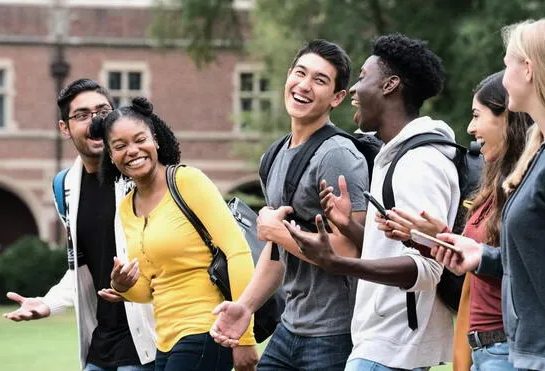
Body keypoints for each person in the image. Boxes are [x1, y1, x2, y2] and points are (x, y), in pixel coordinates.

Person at [431, 16, 545, 371]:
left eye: (506, 62)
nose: (503, 73)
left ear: (528, 69)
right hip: (535, 357)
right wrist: (482, 257)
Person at [284, 33, 459, 371]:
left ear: (390, 85)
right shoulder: (393, 156)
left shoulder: (419, 163)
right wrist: (349, 225)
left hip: (392, 348)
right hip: (379, 343)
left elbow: (428, 267)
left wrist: (338, 263)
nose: (353, 90)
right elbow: (402, 250)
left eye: (363, 78)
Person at [210, 39, 370, 370]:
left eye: (320, 80)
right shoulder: (275, 155)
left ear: (337, 98)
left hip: (334, 334)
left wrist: (279, 233)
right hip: (290, 328)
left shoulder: (337, 155)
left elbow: (350, 251)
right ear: (288, 76)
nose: (304, 86)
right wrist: (245, 307)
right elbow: (276, 257)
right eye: (300, 73)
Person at [375, 71, 533, 371]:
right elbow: (475, 262)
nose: (471, 128)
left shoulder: (524, 188)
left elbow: (521, 267)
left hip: (507, 349)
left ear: (507, 118)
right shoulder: (494, 187)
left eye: (477, 115)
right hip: (482, 349)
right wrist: (429, 238)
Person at [91, 96, 257, 371]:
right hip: (166, 342)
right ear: (111, 156)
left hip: (208, 330)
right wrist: (123, 286)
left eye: (139, 139)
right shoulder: (126, 208)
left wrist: (244, 336)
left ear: (155, 140)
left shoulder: (186, 181)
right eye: (120, 146)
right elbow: (149, 288)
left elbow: (237, 252)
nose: (132, 150)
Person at [3, 78, 157, 371]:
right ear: (65, 128)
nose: (95, 122)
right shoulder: (65, 187)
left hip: (148, 341)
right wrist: (48, 303)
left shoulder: (140, 175)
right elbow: (82, 269)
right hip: (100, 346)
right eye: (82, 115)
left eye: (102, 111)